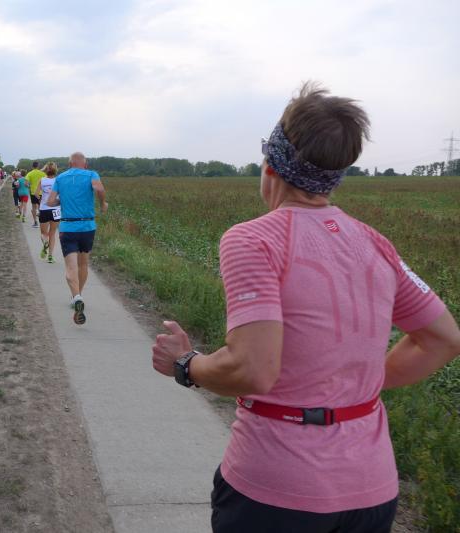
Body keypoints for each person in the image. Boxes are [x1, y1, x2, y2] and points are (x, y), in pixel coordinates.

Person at [150, 83, 460, 533]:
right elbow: (443, 339)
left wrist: (185, 363)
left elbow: (252, 370)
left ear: (271, 165)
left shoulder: (252, 239)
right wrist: (351, 383)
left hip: (275, 490)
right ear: (335, 174)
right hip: (372, 491)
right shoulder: (377, 244)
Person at [46, 152, 107, 325]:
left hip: (68, 227)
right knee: (83, 264)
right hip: (87, 226)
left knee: (70, 266)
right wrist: (102, 203)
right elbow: (99, 189)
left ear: (69, 164)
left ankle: (76, 297)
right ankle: (78, 295)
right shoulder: (91, 174)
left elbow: (50, 202)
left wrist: (62, 201)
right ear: (85, 164)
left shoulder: (60, 178)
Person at [36, 162, 60, 263]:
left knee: (43, 233)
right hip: (56, 209)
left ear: (46, 170)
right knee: (52, 233)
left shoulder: (42, 180)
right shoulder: (58, 180)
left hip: (44, 208)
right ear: (55, 170)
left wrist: (41, 200)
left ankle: (45, 242)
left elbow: (36, 194)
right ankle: (50, 256)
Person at [25, 160, 47, 228]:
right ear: (38, 166)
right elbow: (46, 181)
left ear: (32, 166)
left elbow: (26, 184)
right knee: (41, 207)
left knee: (33, 208)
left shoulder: (29, 173)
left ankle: (35, 222)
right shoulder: (42, 173)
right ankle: (42, 222)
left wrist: (30, 186)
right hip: (41, 193)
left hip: (33, 193)